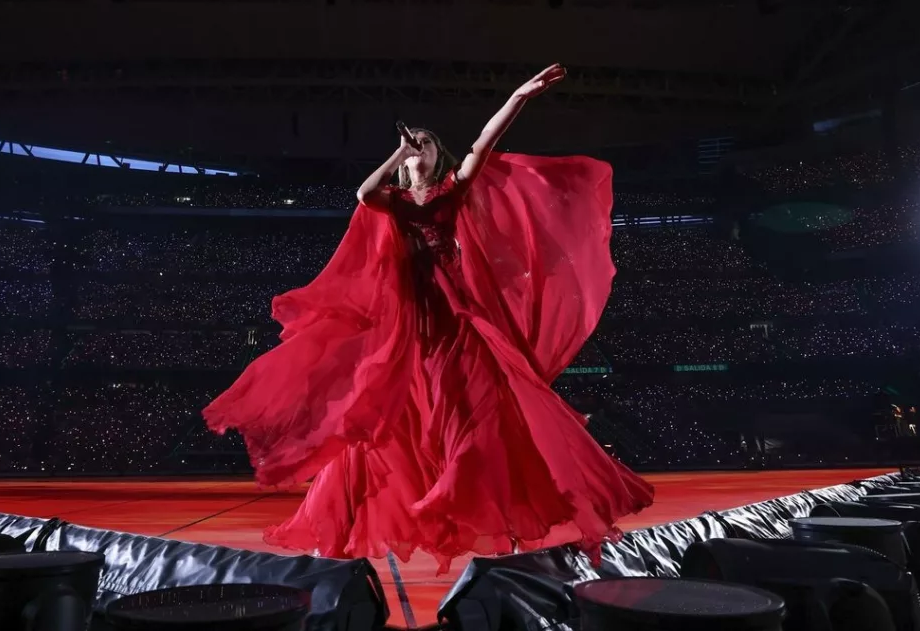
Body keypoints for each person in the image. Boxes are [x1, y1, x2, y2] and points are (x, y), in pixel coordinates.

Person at [204, 64, 654, 573]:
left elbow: (484, 141)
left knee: (476, 409)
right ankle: (363, 519)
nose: (420, 147)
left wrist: (519, 95)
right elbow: (362, 195)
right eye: (413, 143)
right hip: (408, 327)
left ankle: (470, 499)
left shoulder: (451, 192)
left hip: (458, 318)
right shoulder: (392, 201)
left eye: (427, 142)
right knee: (386, 420)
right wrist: (399, 151)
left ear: (439, 155)